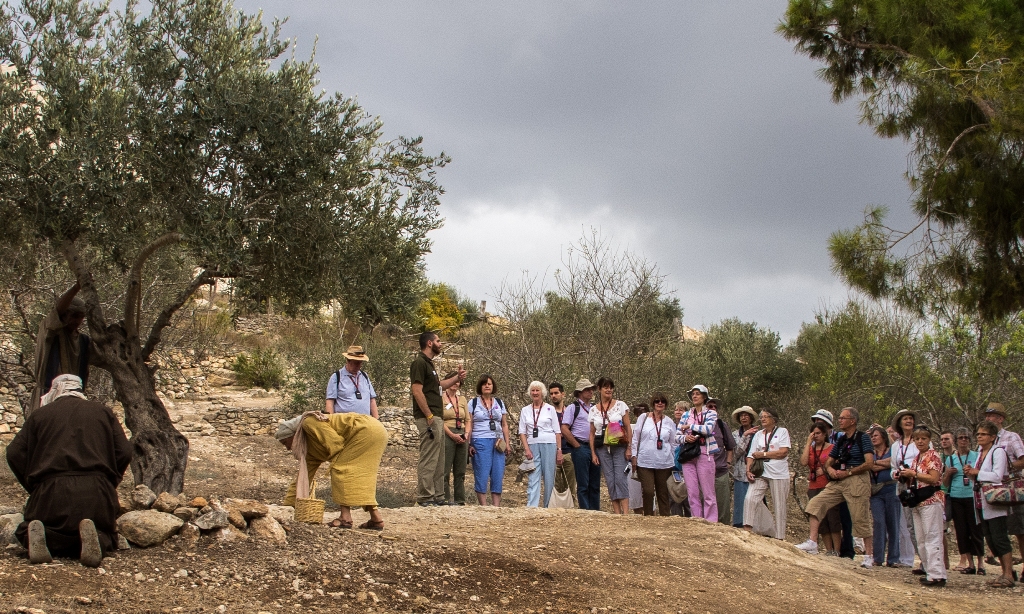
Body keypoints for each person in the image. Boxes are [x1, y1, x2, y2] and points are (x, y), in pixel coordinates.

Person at [6, 375, 132, 566]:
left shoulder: (40, 415)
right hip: (97, 492)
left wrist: (34, 485)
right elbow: (125, 451)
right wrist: (109, 482)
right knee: (106, 532)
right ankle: (96, 539)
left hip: (50, 492)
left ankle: (44, 537)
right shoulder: (103, 412)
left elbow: (14, 453)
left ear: (55, 390)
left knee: (30, 528)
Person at [278, 410, 389, 530]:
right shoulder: (309, 449)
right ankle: (376, 519)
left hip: (365, 430)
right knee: (360, 477)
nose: (287, 448)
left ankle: (345, 518)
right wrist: (287, 507)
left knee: (340, 470)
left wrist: (337, 466)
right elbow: (303, 478)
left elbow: (335, 444)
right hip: (375, 430)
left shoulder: (308, 422)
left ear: (293, 435)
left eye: (285, 442)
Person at [796, 407, 876, 568]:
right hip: (839, 479)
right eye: (839, 418)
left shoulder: (863, 438)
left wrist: (849, 472)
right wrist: (831, 470)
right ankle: (812, 542)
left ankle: (869, 555)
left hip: (857, 479)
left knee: (860, 517)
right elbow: (829, 462)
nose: (840, 421)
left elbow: (869, 463)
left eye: (843, 418)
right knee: (815, 503)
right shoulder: (841, 439)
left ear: (852, 421)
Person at [410, 331, 466, 506]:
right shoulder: (419, 363)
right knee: (429, 457)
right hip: (429, 417)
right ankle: (425, 496)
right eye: (438, 341)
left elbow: (439, 385)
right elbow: (417, 391)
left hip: (437, 417)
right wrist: (428, 415)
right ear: (429, 343)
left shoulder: (429, 364)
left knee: (439, 458)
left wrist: (457, 378)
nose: (441, 344)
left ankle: (438, 496)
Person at [964, 420, 1017, 588]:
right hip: (981, 501)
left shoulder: (998, 451)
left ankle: (1009, 574)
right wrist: (971, 473)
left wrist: (977, 472)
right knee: (991, 539)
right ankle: (1004, 573)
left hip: (995, 502)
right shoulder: (981, 453)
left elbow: (997, 475)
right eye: (978, 434)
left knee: (1000, 537)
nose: (979, 437)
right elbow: (980, 475)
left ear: (993, 437)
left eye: (983, 434)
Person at [892, 425, 946, 586]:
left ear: (929, 440)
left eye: (924, 438)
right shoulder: (917, 458)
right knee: (921, 538)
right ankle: (929, 571)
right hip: (917, 500)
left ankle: (937, 574)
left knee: (932, 536)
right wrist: (903, 475)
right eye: (917, 439)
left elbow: (933, 478)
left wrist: (914, 474)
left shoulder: (933, 456)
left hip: (931, 499)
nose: (920, 441)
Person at [29, 283, 91, 412]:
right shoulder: (50, 331)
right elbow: (58, 310)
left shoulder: (83, 341)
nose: (78, 321)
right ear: (64, 315)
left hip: (73, 399)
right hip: (47, 396)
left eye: (81, 317)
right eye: (74, 316)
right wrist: (77, 287)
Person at [983, 403, 1024, 570]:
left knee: (1020, 530)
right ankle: (1007, 570)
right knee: (997, 531)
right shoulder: (986, 440)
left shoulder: (1011, 437)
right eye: (986, 415)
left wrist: (1005, 466)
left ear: (1000, 418)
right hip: (993, 492)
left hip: (1012, 489)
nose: (987, 418)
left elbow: (1023, 460)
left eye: (991, 415)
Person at [743, 408, 790, 540]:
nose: (762, 419)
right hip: (760, 471)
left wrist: (763, 454)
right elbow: (751, 454)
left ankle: (780, 537)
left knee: (779, 505)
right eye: (761, 417)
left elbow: (783, 452)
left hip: (778, 473)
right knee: (750, 498)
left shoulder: (782, 432)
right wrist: (748, 470)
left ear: (773, 419)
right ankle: (747, 530)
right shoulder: (758, 434)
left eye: (765, 416)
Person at [943, 427, 984, 575]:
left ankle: (981, 563)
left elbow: (982, 476)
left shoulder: (977, 456)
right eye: (961, 437)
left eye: (966, 437)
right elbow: (945, 483)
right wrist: (948, 473)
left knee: (976, 529)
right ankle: (970, 564)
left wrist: (973, 472)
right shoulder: (950, 459)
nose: (963, 440)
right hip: (956, 497)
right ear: (956, 441)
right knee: (961, 530)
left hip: (972, 496)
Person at [675, 385, 719, 521]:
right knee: (692, 491)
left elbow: (708, 429)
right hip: (688, 454)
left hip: (705, 453)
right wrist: (685, 438)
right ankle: (697, 520)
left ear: (704, 397)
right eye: (693, 394)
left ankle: (711, 521)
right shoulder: (686, 415)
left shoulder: (710, 413)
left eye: (697, 394)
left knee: (708, 492)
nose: (694, 396)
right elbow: (677, 436)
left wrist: (690, 426)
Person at [589, 377, 632, 514]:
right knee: (610, 479)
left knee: (620, 478)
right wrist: (593, 453)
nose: (608, 390)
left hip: (619, 446)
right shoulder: (593, 410)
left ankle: (626, 513)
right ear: (599, 389)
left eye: (610, 387)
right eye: (605, 387)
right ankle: (617, 513)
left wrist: (629, 448)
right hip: (602, 447)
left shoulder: (620, 405)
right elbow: (591, 433)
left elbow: (628, 427)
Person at [466, 374, 511, 506]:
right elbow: (469, 424)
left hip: (498, 442)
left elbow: (504, 424)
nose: (487, 386)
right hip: (480, 440)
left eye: (489, 384)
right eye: (484, 384)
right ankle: (484, 506)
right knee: (482, 472)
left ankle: (496, 507)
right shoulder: (473, 403)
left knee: (498, 473)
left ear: (493, 386)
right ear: (480, 386)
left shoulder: (499, 403)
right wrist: (469, 444)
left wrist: (507, 443)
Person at [519, 381, 563, 507]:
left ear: (542, 392)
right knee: (533, 475)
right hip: (533, 445)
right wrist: (526, 449)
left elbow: (557, 431)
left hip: (549, 444)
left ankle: (548, 505)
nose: (535, 393)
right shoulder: (525, 410)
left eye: (537, 390)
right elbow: (522, 432)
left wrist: (559, 450)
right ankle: (532, 506)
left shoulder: (550, 409)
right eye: (532, 390)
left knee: (549, 477)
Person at [630, 394, 676, 516]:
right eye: (657, 401)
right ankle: (648, 518)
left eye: (662, 401)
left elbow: (673, 443)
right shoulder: (643, 418)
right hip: (644, 462)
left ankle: (665, 518)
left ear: (666, 404)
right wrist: (634, 456)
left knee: (663, 493)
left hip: (664, 463)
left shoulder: (669, 422)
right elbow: (635, 438)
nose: (660, 403)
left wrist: (674, 460)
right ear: (652, 403)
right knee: (648, 491)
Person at [890, 408, 921, 568]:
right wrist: (895, 474)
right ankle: (910, 559)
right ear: (900, 424)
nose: (908, 421)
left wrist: (913, 472)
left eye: (910, 418)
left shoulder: (920, 441)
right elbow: (892, 467)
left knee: (921, 524)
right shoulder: (896, 445)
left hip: (920, 485)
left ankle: (927, 561)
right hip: (903, 487)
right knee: (907, 525)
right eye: (905, 419)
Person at [802, 423, 840, 554]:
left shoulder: (832, 448)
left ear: (824, 434)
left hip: (828, 486)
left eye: (818, 433)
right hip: (814, 486)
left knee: (833, 518)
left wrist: (823, 470)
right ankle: (828, 549)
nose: (816, 436)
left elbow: (836, 463)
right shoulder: (811, 449)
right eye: (814, 433)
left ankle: (837, 550)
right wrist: (808, 443)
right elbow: (803, 462)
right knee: (820, 519)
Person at [562, 378, 600, 510]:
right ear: (580, 392)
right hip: (581, 446)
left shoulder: (595, 408)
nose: (590, 392)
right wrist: (576, 445)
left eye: (591, 389)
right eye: (587, 389)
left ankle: (595, 510)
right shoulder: (573, 407)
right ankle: (585, 510)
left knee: (595, 483)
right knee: (583, 483)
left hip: (595, 447)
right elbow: (564, 428)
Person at [868, 425, 901, 566]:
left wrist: (876, 463)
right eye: (872, 436)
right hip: (876, 491)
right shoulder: (870, 453)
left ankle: (893, 558)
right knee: (879, 522)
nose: (873, 438)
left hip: (891, 489)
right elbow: (869, 466)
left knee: (893, 524)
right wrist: (883, 464)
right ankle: (878, 557)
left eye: (876, 435)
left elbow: (894, 462)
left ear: (883, 436)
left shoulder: (892, 450)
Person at [325, 345, 379, 418]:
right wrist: (330, 420)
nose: (359, 365)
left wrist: (376, 420)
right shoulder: (336, 377)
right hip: (344, 422)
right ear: (348, 361)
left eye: (360, 362)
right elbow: (330, 401)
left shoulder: (364, 376)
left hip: (365, 421)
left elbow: (372, 400)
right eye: (356, 363)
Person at [441, 373, 469, 505]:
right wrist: (451, 435)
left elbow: (468, 420)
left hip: (462, 433)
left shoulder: (462, 399)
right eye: (453, 380)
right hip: (447, 433)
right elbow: (439, 420)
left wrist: (466, 434)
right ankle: (445, 499)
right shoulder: (440, 398)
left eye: (458, 381)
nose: (455, 383)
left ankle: (460, 500)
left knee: (460, 470)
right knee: (445, 469)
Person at [708, 398, 736, 525]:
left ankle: (724, 529)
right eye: (710, 406)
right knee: (705, 503)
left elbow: (730, 447)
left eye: (715, 407)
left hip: (720, 471)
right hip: (703, 472)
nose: (713, 408)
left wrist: (728, 463)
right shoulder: (698, 425)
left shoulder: (722, 425)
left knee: (723, 505)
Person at [549, 382, 577, 506]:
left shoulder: (570, 411)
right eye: (551, 394)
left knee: (570, 486)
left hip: (569, 452)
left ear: (563, 394)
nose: (554, 396)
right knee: (554, 486)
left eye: (556, 393)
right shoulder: (548, 412)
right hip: (552, 453)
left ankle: (572, 507)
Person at [730, 406, 758, 529]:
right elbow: (736, 453)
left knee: (755, 499)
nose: (744, 418)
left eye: (746, 415)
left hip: (756, 471)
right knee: (740, 500)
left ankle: (756, 526)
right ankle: (739, 524)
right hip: (740, 471)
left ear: (751, 418)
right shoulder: (735, 434)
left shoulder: (759, 434)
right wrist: (745, 436)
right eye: (741, 416)